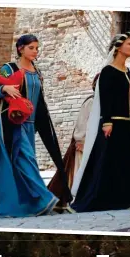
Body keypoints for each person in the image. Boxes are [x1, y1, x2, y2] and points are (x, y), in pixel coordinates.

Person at [0, 34, 72, 217]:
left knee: (24, 162)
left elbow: (39, 100)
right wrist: (4, 89)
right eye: (31, 48)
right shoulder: (9, 68)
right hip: (12, 123)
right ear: (20, 48)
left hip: (30, 125)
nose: (35, 51)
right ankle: (44, 199)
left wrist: (43, 123)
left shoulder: (36, 72)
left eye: (37, 48)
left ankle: (24, 205)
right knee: (25, 159)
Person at [70, 32, 130, 212]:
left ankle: (127, 197)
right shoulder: (108, 71)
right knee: (105, 161)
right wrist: (107, 122)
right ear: (118, 47)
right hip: (113, 124)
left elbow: (123, 97)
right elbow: (106, 98)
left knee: (127, 161)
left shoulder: (127, 71)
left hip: (126, 122)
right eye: (129, 44)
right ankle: (92, 199)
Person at [47, 73, 99, 211]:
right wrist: (80, 140)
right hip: (84, 143)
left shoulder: (104, 103)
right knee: (79, 171)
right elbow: (82, 122)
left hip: (96, 144)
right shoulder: (91, 102)